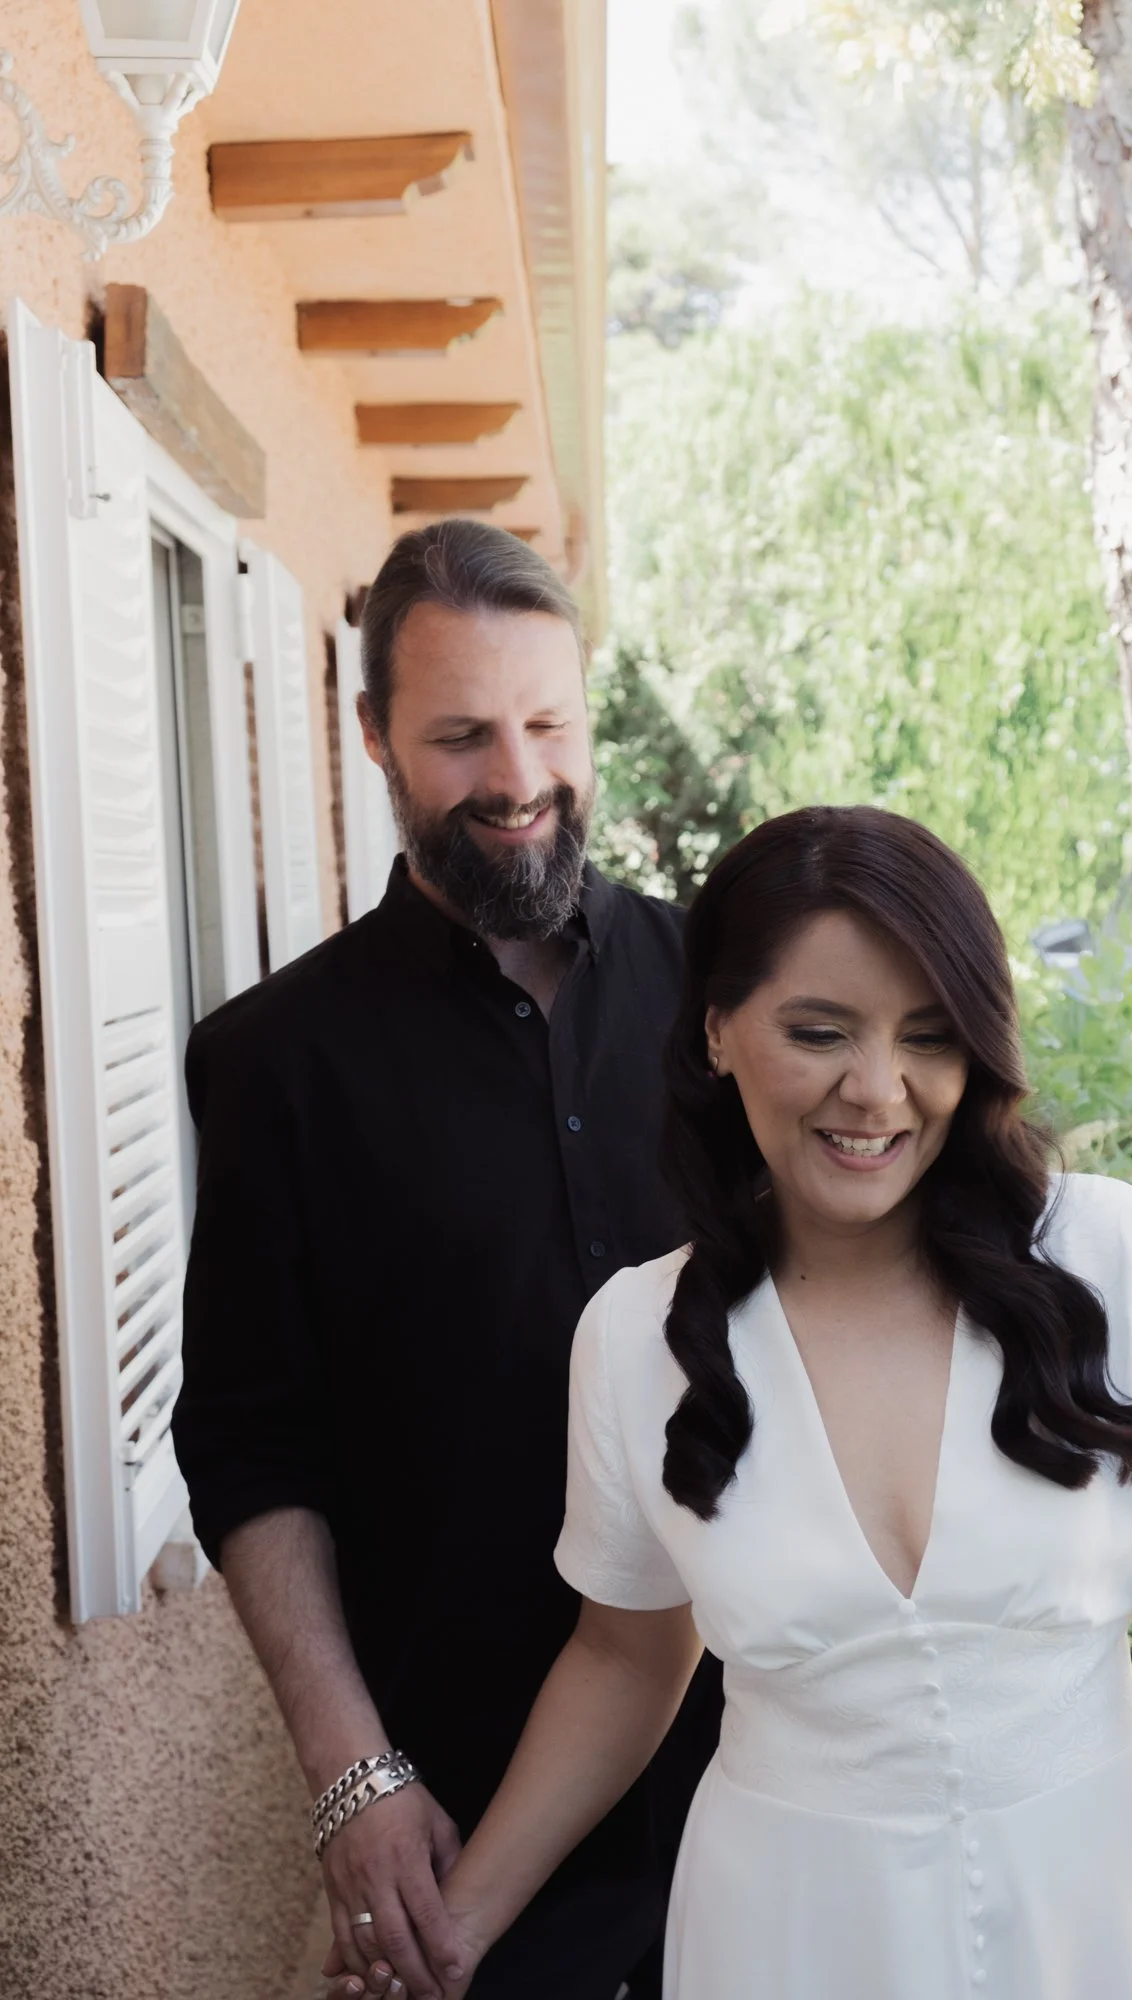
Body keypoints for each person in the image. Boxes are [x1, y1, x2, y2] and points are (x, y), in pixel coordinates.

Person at [369, 804, 1132, 2000]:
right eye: (820, 1032)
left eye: (928, 1034)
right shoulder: (634, 1340)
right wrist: (457, 1926)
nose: (878, 1090)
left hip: (1103, 1916)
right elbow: (623, 1655)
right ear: (715, 1030)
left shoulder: (1111, 1258)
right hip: (785, 1936)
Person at [172, 520, 721, 2000]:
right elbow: (246, 1446)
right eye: (463, 736)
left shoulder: (726, 1000)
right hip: (478, 1823)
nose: (519, 780)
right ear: (371, 736)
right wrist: (351, 1774)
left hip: (775, 1779)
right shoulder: (272, 1066)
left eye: (548, 723)